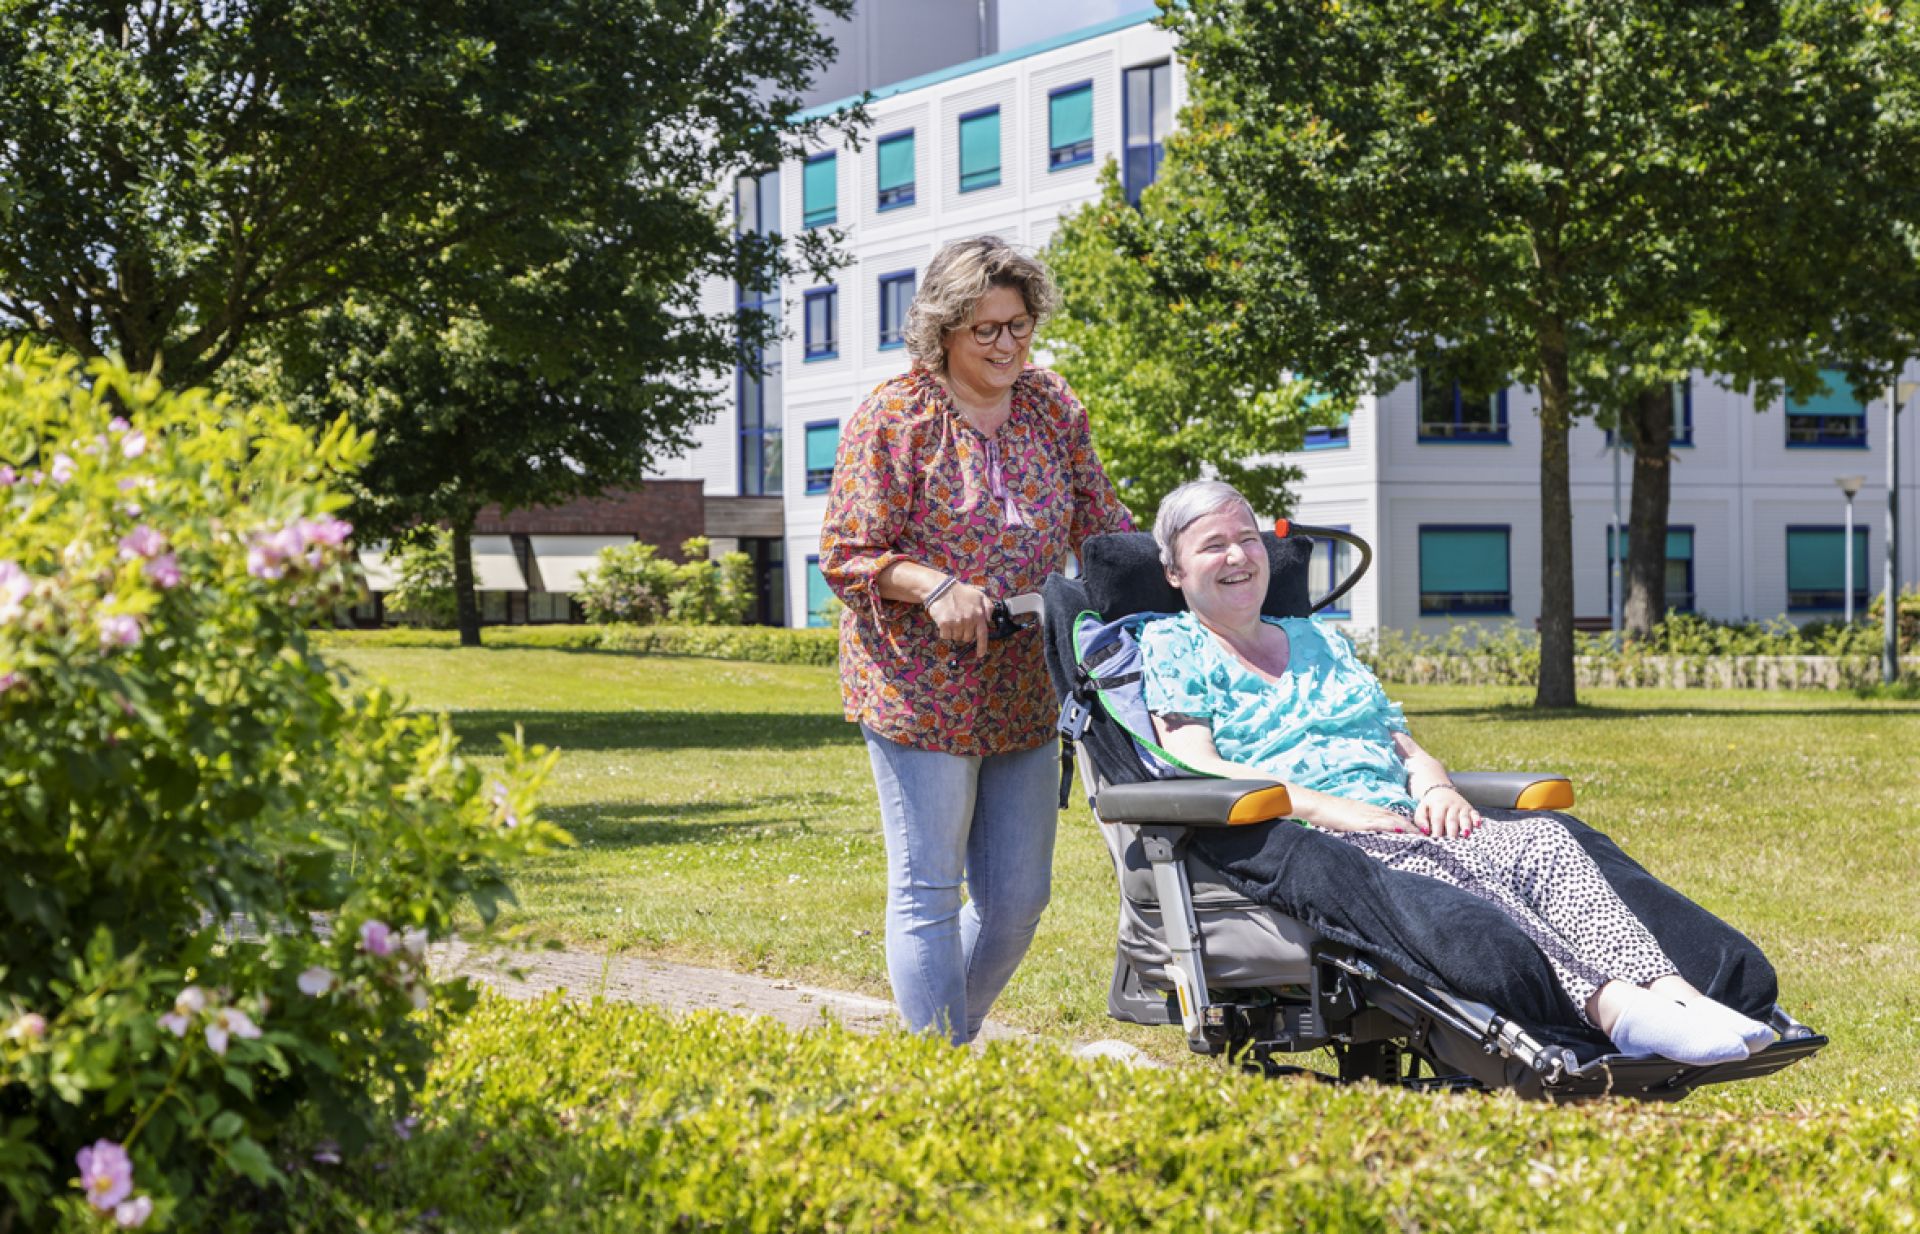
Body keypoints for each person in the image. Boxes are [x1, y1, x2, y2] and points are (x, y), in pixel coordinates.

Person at [1137, 479, 1775, 1066]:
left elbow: (1401, 743)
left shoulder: (1318, 640)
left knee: (1546, 841)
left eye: (1247, 539)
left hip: (1400, 812)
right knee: (1465, 879)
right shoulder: (1175, 643)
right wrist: (1330, 808)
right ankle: (1614, 1009)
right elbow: (1197, 760)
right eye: (1212, 545)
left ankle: (1676, 993)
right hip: (1312, 834)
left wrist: (1436, 784)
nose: (1238, 557)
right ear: (1173, 570)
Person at [819, 236, 1132, 1044]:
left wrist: (1170, 570)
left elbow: (1100, 520)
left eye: (1019, 325)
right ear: (944, 331)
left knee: (1020, 898)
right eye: (985, 329)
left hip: (1024, 683)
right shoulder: (895, 418)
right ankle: (941, 1065)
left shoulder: (1051, 405)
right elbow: (848, 553)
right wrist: (934, 585)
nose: (1006, 345)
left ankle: (939, 1045)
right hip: (918, 684)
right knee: (928, 887)